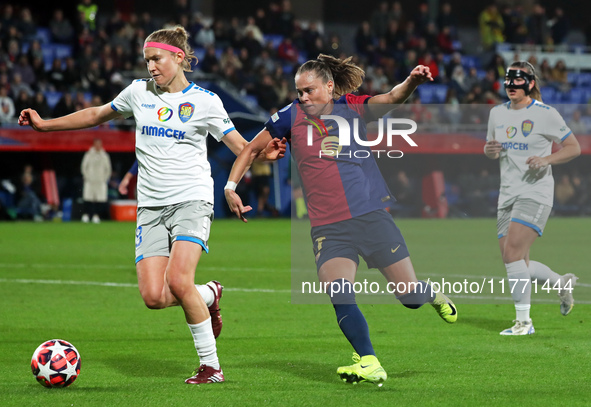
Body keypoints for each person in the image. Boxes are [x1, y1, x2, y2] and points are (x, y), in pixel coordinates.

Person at [19, 25, 285, 384]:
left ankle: (211, 367)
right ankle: (209, 294)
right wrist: (44, 125)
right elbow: (96, 114)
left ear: (179, 57)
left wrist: (264, 157)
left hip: (192, 199)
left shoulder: (205, 101)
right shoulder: (138, 93)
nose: (151, 67)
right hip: (151, 207)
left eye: (156, 58)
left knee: (177, 280)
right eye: (147, 60)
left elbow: (241, 146)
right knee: (154, 297)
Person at [224, 54, 457, 386]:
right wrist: (231, 187)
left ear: (329, 86)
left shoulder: (353, 107)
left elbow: (391, 98)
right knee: (340, 293)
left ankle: (430, 293)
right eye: (298, 91)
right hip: (328, 228)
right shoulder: (290, 116)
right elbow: (249, 150)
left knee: (408, 296)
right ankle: (369, 360)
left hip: (370, 217)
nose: (302, 97)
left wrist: (413, 82)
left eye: (308, 90)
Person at [484, 61, 581, 336]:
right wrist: (489, 150)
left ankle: (524, 323)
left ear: (529, 83)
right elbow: (492, 149)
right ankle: (560, 284)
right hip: (507, 194)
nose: (511, 87)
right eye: (508, 82)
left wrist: (546, 159)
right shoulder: (496, 114)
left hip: (535, 193)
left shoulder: (546, 114)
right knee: (515, 261)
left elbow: (574, 147)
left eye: (517, 82)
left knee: (513, 253)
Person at [80, 138, 112, 223]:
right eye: (96, 144)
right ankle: (86, 215)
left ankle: (96, 215)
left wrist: (104, 179)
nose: (98, 146)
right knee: (88, 198)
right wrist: (87, 177)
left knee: (100, 199)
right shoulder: (88, 155)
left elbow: (108, 169)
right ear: (94, 145)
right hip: (90, 181)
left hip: (100, 181)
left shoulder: (105, 155)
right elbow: (84, 167)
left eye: (99, 144)